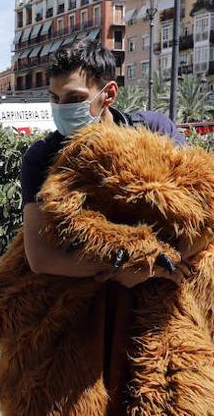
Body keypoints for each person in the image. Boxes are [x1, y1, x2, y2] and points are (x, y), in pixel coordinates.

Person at [21, 38, 187, 287]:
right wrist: (121, 269)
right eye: (54, 98)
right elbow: (41, 257)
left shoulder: (155, 130)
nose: (61, 108)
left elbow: (207, 212)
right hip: (85, 311)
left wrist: (152, 267)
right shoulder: (41, 158)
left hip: (160, 296)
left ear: (108, 94)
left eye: (74, 98)